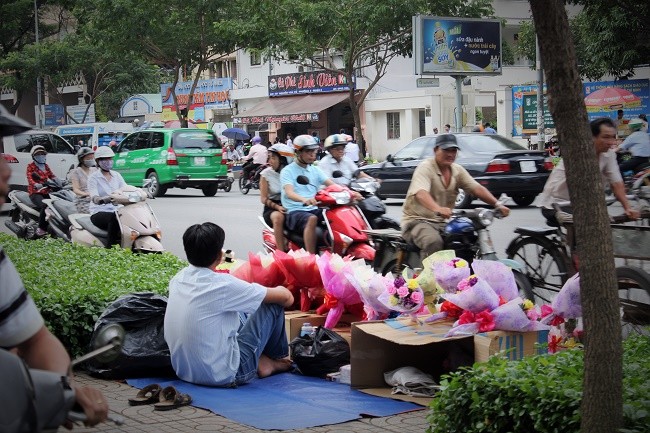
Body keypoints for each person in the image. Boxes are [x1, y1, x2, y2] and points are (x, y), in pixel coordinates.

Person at [0, 105, 107, 429]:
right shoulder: (33, 170)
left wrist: (63, 389)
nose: (5, 172)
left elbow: (36, 340)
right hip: (38, 198)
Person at [164, 222, 294, 386]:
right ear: (218, 256)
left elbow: (227, 257)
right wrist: (281, 288)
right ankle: (277, 359)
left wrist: (224, 256)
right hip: (227, 374)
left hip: (185, 372)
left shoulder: (178, 279)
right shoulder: (223, 285)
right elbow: (286, 298)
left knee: (238, 312)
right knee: (272, 304)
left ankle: (261, 359)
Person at [401, 134, 510, 260]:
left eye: (453, 150)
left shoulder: (457, 170)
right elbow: (421, 193)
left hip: (443, 222)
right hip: (417, 221)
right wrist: (438, 209)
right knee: (433, 241)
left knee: (467, 239)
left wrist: (497, 204)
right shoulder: (426, 167)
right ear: (436, 150)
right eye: (446, 150)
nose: (450, 154)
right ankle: (429, 278)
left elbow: (477, 188)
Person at [537, 117, 639, 225]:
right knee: (587, 228)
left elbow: (616, 183)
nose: (611, 142)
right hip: (556, 204)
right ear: (592, 137)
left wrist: (628, 208)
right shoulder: (578, 154)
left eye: (613, 137)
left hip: (581, 205)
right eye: (605, 137)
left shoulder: (609, 155)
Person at [280, 135, 335, 254]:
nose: (312, 155)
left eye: (314, 151)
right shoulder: (287, 171)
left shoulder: (315, 170)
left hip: (314, 208)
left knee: (335, 215)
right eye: (308, 151)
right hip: (295, 211)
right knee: (312, 218)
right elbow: (289, 192)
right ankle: (311, 257)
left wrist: (350, 192)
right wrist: (304, 199)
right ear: (298, 153)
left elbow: (331, 185)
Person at [87, 146, 127, 247]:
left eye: (110, 158)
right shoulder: (93, 178)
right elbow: (93, 195)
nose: (108, 161)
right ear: (98, 161)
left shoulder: (117, 175)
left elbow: (126, 188)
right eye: (105, 159)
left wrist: (139, 191)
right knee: (114, 218)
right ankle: (110, 248)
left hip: (117, 210)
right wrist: (99, 199)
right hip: (98, 211)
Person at [260, 143, 293, 252]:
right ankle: (281, 252)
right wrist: (277, 207)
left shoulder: (292, 173)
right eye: (270, 157)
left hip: (290, 205)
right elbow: (263, 199)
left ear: (283, 160)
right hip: (273, 208)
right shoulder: (265, 174)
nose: (270, 161)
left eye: (273, 158)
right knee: (279, 218)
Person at [26, 145, 59, 237]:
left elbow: (52, 175)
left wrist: (58, 181)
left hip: (46, 191)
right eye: (38, 154)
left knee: (57, 203)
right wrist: (36, 184)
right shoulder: (30, 166)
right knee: (45, 205)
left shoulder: (46, 166)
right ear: (33, 156)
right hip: (35, 192)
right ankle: (41, 228)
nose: (40, 156)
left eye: (42, 154)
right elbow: (30, 177)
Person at [69, 147, 98, 213]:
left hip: (96, 199)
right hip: (83, 201)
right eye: (88, 159)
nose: (91, 160)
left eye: (92, 158)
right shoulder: (76, 172)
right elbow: (76, 189)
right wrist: (87, 194)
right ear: (81, 160)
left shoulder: (95, 170)